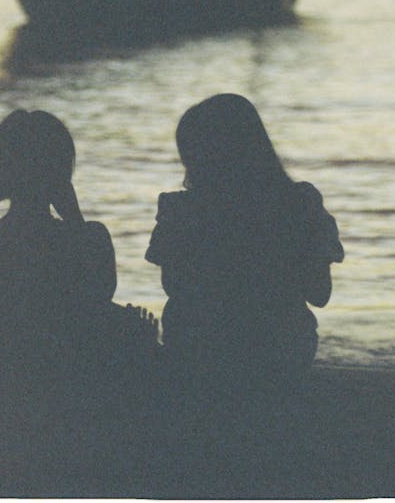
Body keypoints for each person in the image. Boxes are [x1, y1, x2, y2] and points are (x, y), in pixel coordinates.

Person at [0, 108, 157, 377]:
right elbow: (96, 300)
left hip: (5, 369)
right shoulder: (91, 237)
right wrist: (74, 217)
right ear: (61, 171)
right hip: (69, 371)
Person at [145, 93, 344, 392]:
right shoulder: (299, 204)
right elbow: (320, 293)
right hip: (278, 354)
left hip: (197, 353)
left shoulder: (181, 210)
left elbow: (174, 285)